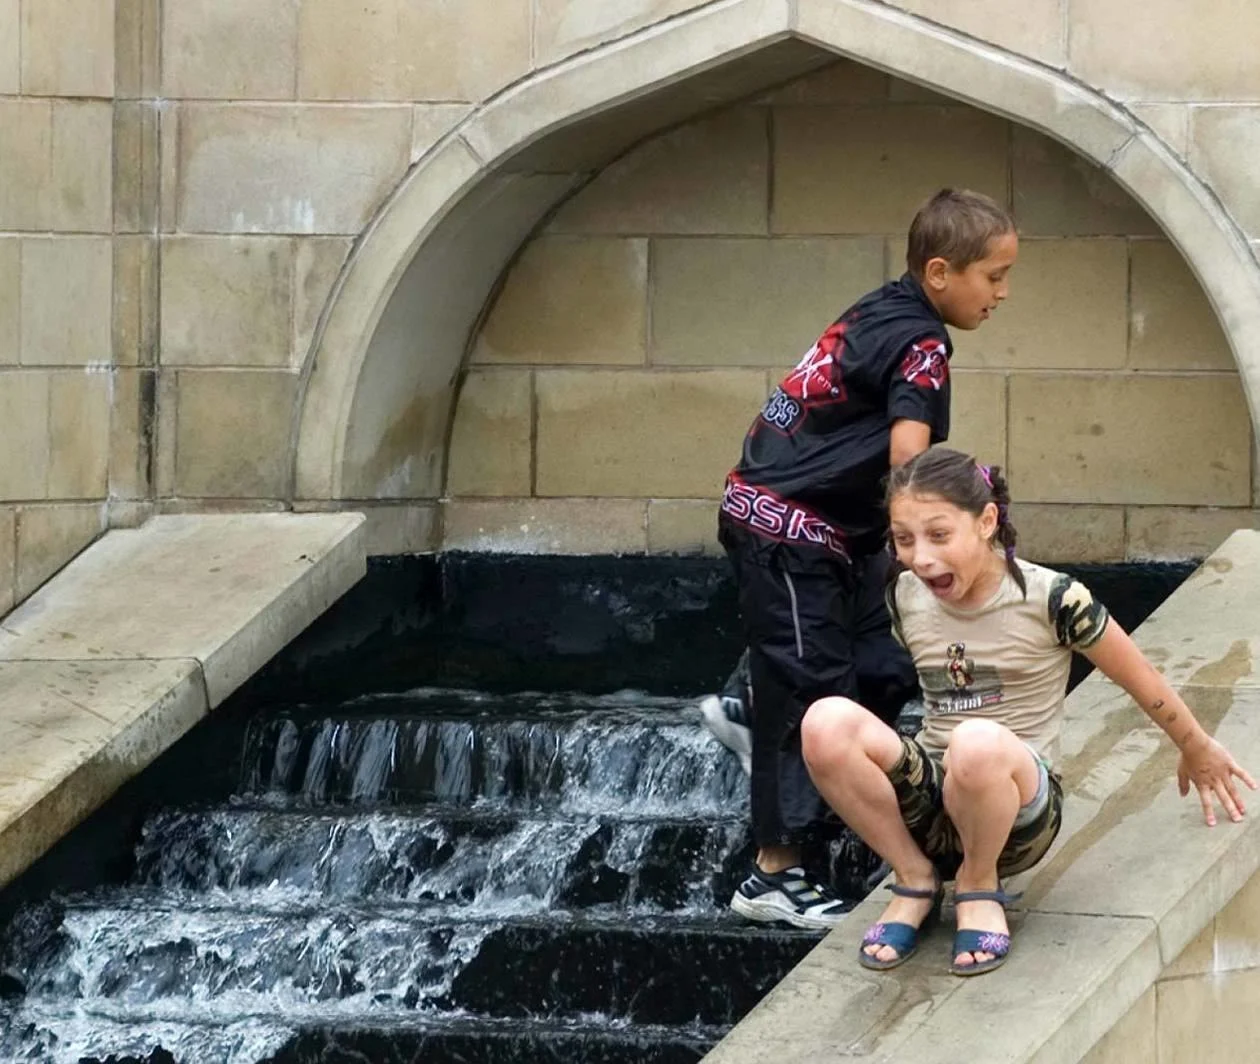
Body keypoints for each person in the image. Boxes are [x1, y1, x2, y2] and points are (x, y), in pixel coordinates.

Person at [800, 448, 1256, 975]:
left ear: (987, 521)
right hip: (931, 802)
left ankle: (977, 882)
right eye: (904, 540)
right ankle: (915, 875)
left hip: (1018, 812)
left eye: (939, 535)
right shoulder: (903, 595)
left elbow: (1140, 677)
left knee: (977, 742)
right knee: (824, 722)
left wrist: (1195, 745)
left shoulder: (1053, 598)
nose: (920, 558)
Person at [713, 189, 1019, 929]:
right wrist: (943, 549)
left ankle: (749, 704)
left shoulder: (880, 307)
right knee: (817, 696)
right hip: (788, 534)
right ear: (941, 273)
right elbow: (909, 460)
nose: (1003, 294)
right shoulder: (923, 345)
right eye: (995, 276)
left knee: (879, 668)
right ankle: (772, 874)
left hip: (813, 532)